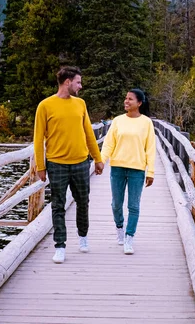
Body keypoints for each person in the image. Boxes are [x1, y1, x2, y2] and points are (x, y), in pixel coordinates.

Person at [34, 66, 104, 264]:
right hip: (56, 164)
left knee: (83, 202)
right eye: (78, 82)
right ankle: (60, 246)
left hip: (81, 162)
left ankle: (83, 236)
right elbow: (38, 139)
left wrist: (97, 159)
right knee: (58, 205)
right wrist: (41, 166)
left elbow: (89, 133)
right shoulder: (45, 106)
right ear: (67, 82)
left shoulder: (80, 104)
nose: (80, 86)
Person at [100, 88, 155, 255]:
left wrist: (150, 171)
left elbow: (150, 149)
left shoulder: (146, 123)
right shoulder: (117, 121)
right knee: (116, 204)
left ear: (139, 103)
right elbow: (109, 143)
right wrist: (101, 161)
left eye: (130, 99)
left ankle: (129, 237)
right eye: (126, 98)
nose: (126, 101)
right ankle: (119, 227)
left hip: (137, 169)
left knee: (133, 205)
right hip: (117, 167)